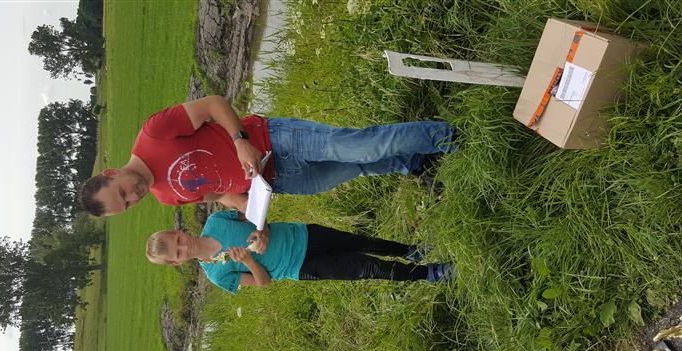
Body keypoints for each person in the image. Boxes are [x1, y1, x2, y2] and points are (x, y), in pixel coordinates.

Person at [79, 95, 457, 217]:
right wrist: (246, 207)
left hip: (274, 139)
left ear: (111, 172)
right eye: (127, 205)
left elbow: (213, 104)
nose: (133, 196)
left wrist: (240, 140)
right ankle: (415, 162)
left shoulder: (154, 134)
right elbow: (215, 193)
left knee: (363, 146)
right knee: (356, 166)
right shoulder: (165, 196)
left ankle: (451, 137)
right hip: (279, 179)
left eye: (123, 192)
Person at [145, 210, 456, 294]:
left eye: (178, 241)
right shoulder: (217, 274)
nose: (183, 247)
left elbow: (255, 212)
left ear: (178, 232)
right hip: (300, 267)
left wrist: (262, 229)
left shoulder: (216, 220)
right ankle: (429, 273)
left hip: (304, 234)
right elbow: (264, 282)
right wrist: (249, 260)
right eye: (177, 253)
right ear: (176, 263)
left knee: (363, 242)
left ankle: (412, 251)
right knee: (367, 267)